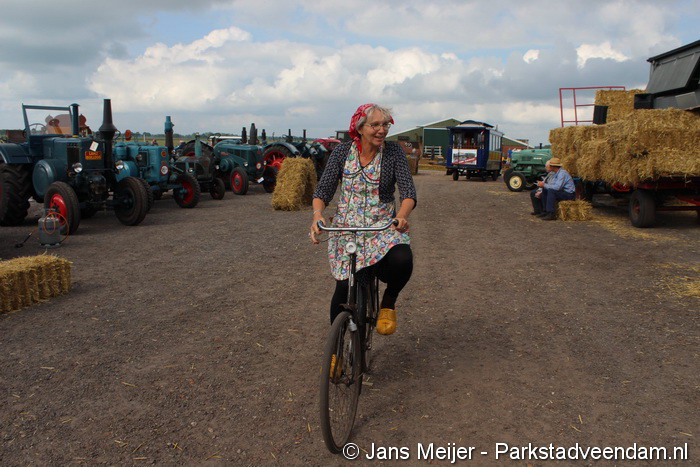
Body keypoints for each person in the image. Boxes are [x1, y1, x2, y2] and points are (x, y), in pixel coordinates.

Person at [310, 103, 417, 336]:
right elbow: (323, 191)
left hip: (382, 227)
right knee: (343, 287)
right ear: (359, 128)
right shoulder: (341, 152)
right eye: (375, 125)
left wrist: (401, 216)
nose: (382, 130)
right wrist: (317, 215)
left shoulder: (393, 152)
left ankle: (388, 302)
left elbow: (408, 192)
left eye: (385, 125)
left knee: (402, 259)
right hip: (347, 229)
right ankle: (336, 348)